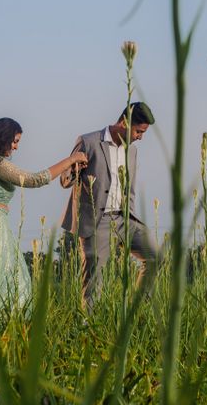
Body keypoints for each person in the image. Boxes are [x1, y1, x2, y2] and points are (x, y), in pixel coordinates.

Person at [0, 117, 87, 336]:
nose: (16, 146)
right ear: (2, 137)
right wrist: (70, 160)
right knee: (4, 280)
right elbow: (33, 180)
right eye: (14, 141)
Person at [60, 102, 159, 308]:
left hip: (124, 218)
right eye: (139, 131)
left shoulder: (132, 151)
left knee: (155, 257)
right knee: (94, 280)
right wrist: (75, 170)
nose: (140, 137)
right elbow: (65, 180)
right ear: (124, 122)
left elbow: (129, 189)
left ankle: (136, 311)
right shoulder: (88, 141)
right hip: (97, 221)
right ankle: (88, 330)